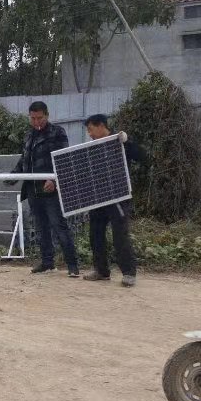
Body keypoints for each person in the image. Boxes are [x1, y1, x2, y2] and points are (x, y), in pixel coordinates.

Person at [9, 101, 79, 276]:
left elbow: (64, 159)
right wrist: (13, 176)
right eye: (33, 118)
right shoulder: (29, 135)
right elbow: (24, 159)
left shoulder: (57, 132)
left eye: (39, 118)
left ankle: (72, 265)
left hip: (50, 190)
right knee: (41, 228)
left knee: (59, 226)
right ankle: (47, 263)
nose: (36, 122)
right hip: (32, 189)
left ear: (47, 115)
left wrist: (54, 179)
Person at [83, 114, 144, 288]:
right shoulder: (92, 148)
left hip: (118, 197)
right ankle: (101, 271)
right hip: (98, 197)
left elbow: (141, 156)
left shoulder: (119, 141)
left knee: (120, 234)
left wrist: (127, 141)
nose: (89, 134)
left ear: (101, 126)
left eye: (91, 129)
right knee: (95, 233)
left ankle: (129, 273)